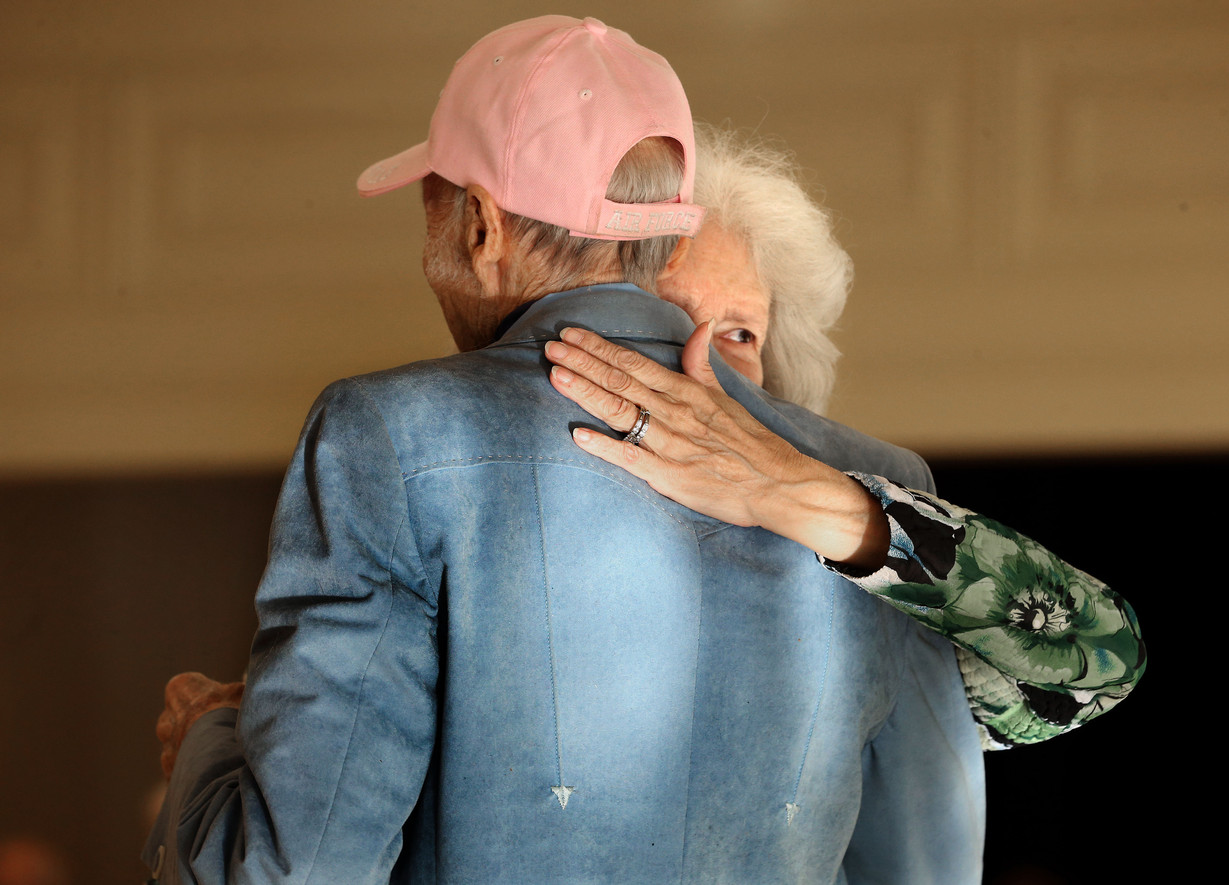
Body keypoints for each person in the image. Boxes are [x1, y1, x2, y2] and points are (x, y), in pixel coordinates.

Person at [147, 16, 984, 884]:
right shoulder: (884, 496)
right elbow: (932, 869)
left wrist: (208, 744)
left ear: (480, 227)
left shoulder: (387, 435)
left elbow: (299, 869)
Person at [546, 124, 1145, 750]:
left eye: (741, 334)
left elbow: (1099, 662)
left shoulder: (848, 569)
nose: (706, 359)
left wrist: (786, 493)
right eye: (661, 315)